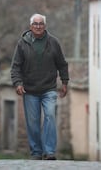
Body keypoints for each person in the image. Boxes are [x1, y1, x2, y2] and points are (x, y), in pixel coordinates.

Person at [10, 13, 69, 160]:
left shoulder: (53, 42)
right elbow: (15, 66)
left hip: (49, 88)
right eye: (35, 24)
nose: (38, 26)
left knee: (49, 115)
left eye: (41, 23)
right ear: (30, 26)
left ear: (45, 26)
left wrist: (64, 81)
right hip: (30, 90)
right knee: (33, 122)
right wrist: (18, 83)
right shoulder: (22, 43)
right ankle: (36, 151)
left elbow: (62, 63)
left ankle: (49, 151)